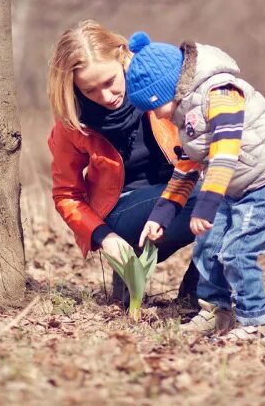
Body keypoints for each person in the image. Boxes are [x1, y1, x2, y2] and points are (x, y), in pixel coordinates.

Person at [124, 31, 265, 342]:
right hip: (238, 187)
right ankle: (215, 311)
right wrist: (160, 216)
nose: (153, 115)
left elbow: (225, 152)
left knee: (236, 252)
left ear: (167, 89)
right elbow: (188, 165)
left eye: (153, 106)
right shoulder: (185, 114)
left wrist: (205, 205)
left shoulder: (220, 93)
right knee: (207, 245)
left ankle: (254, 323)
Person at [47, 20, 200, 307]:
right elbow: (67, 195)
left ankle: (197, 296)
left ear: (122, 57)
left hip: (177, 191)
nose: (106, 97)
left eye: (109, 82)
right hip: (121, 211)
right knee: (206, 196)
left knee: (224, 197)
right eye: (90, 90)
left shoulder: (158, 83)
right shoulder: (71, 122)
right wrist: (104, 237)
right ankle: (129, 264)